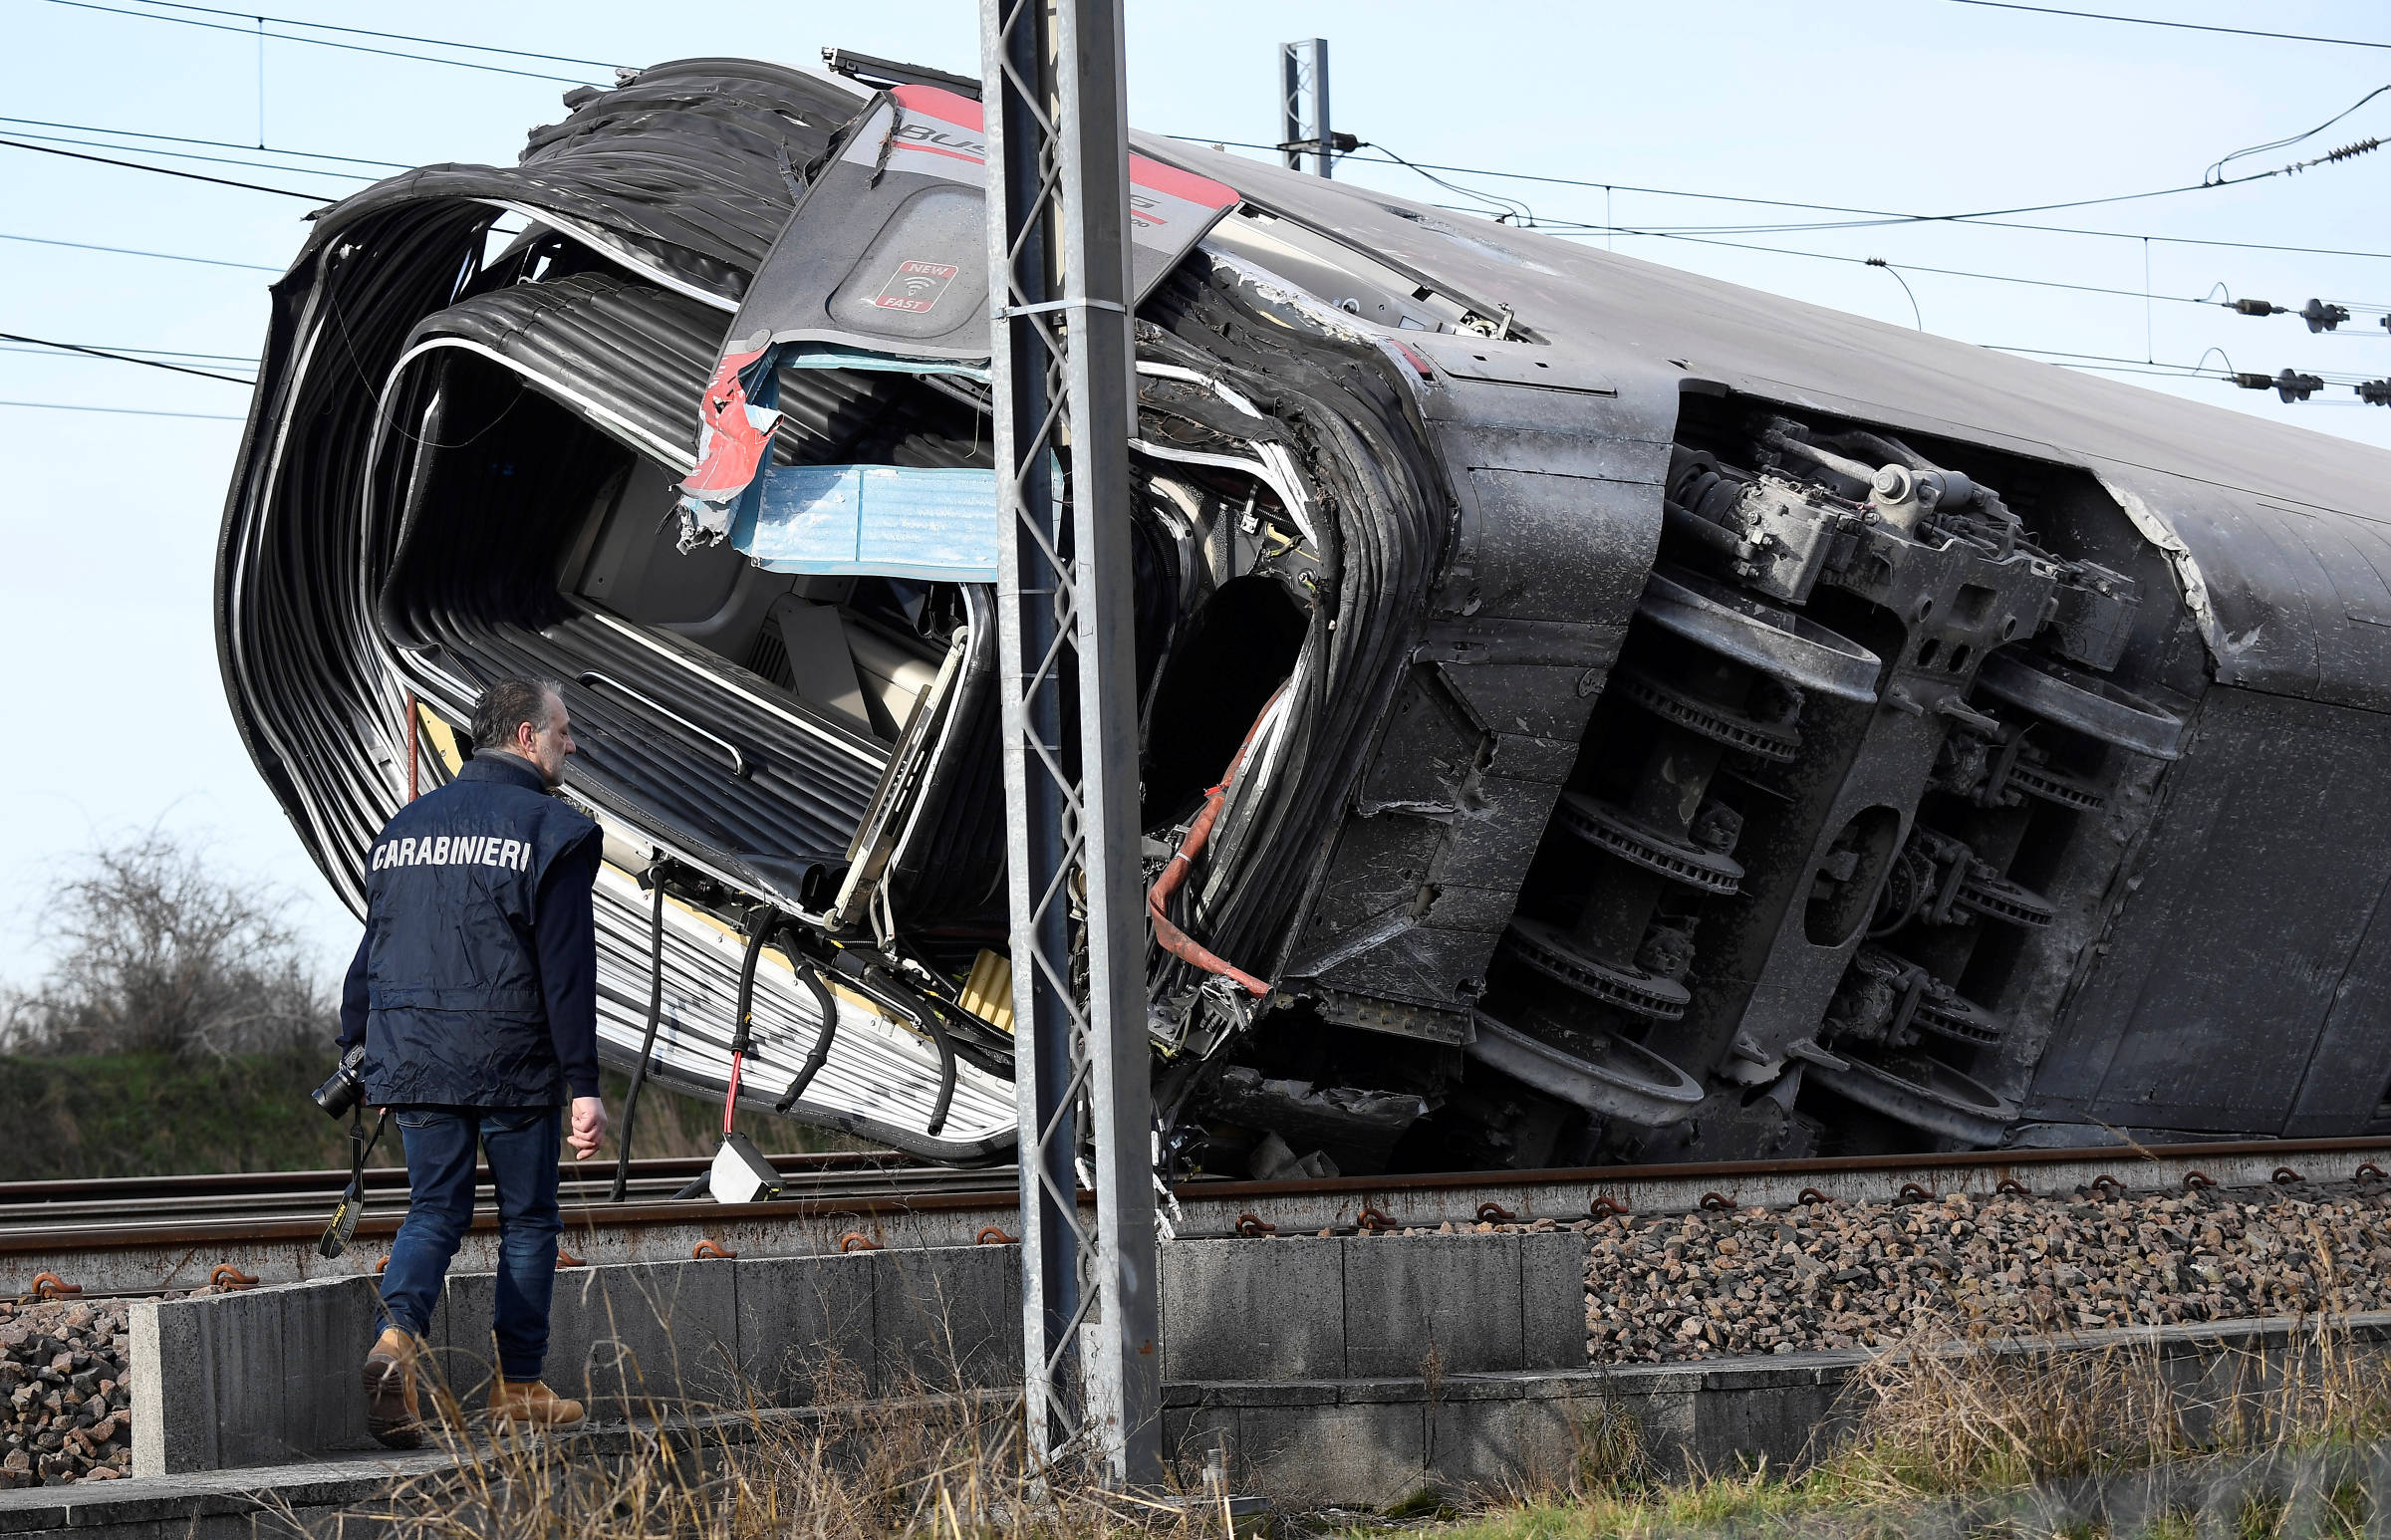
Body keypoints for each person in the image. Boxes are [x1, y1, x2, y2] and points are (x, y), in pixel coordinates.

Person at [337, 678, 610, 1447]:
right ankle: (518, 1386)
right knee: (528, 1220)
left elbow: (372, 955)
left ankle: (396, 1345)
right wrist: (583, 1084)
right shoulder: (552, 829)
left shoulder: (402, 829)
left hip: (415, 1056)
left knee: (433, 1213)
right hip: (512, 1060)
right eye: (563, 730)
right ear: (526, 736)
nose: (571, 744)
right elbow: (566, 971)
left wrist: (360, 1050)